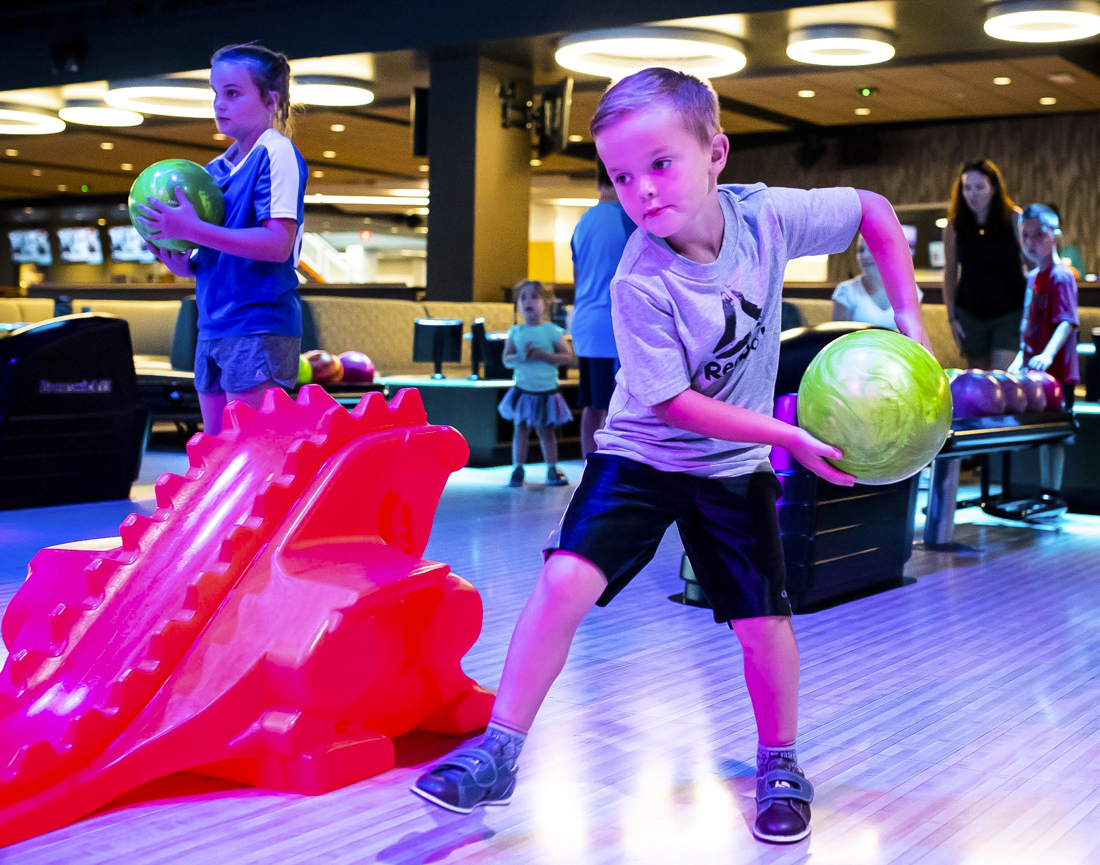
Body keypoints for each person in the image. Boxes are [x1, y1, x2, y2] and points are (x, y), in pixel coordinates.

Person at [412, 67, 930, 844]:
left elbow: (878, 215)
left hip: (730, 469)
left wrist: (909, 321)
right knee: (563, 580)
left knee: (763, 622)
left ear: (715, 152)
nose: (643, 190)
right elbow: (674, 406)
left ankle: (781, 762)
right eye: (623, 176)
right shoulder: (638, 280)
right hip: (645, 454)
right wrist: (788, 437)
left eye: (660, 164)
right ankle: (498, 751)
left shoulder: (767, 218)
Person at [135, 43, 307, 436]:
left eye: (232, 93)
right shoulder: (214, 169)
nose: (219, 104)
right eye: (215, 93)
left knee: (250, 460)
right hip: (212, 325)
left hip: (259, 323)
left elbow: (277, 243)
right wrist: (186, 263)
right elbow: (220, 250)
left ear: (271, 99)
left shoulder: (276, 153)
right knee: (216, 459)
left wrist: (192, 230)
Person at [1009, 204, 1079, 495]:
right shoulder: (1032, 278)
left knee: (1054, 437)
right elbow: (1028, 324)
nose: (1031, 242)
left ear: (1055, 236)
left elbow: (1066, 322)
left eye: (1040, 234)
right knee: (1041, 434)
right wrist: (1018, 358)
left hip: (1057, 374)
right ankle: (1044, 493)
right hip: (1034, 372)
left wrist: (1048, 354)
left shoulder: (1061, 276)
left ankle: (1053, 492)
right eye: (1026, 235)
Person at [570, 159, 635, 456]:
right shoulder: (629, 217)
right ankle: (609, 471)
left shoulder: (583, 221)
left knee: (592, 404)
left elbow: (578, 278)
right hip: (613, 327)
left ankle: (588, 468)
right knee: (615, 407)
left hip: (584, 324)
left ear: (598, 184)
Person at [942, 159, 1026, 371]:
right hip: (970, 313)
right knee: (979, 382)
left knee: (1001, 378)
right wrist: (952, 318)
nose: (973, 194)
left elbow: (1032, 264)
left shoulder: (1014, 218)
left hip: (1009, 311)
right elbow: (950, 274)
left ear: (994, 188)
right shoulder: (954, 226)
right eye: (967, 187)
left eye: (980, 187)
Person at [499, 280, 575, 487]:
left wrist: (545, 356)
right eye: (523, 298)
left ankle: (551, 467)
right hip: (523, 390)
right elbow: (506, 359)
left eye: (534, 296)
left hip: (545, 391)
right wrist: (522, 357)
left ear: (546, 302)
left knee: (546, 431)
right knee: (520, 429)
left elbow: (566, 356)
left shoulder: (552, 331)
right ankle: (517, 468)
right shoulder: (516, 332)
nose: (528, 302)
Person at [832, 233, 922, 329]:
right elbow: (838, 339)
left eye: (871, 248)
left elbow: (917, 336)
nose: (865, 256)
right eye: (860, 250)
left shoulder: (909, 289)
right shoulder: (846, 291)